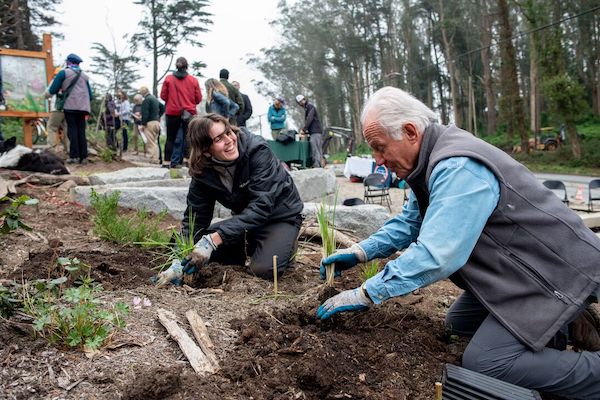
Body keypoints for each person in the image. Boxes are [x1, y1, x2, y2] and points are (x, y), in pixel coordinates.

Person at [317, 86, 600, 399]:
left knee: (487, 362)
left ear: (410, 131)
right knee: (458, 324)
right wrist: (359, 252)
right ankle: (558, 329)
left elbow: (439, 254)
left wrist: (369, 291)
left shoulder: (457, 166)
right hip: (519, 273)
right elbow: (410, 222)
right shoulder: (428, 164)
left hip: (551, 274)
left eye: (380, 147)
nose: (378, 160)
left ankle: (588, 369)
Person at [156, 113, 303, 286]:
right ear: (205, 149)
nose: (229, 140)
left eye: (228, 132)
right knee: (194, 253)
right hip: (245, 222)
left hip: (279, 217)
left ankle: (284, 243)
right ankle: (246, 247)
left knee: (263, 271)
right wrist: (177, 261)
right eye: (218, 138)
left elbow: (261, 207)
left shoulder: (257, 150)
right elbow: (195, 218)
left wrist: (212, 241)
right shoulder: (202, 171)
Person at [45, 53, 92, 164]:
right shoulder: (85, 76)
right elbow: (91, 95)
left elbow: (53, 90)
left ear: (68, 62)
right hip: (84, 107)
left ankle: (74, 156)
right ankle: (84, 157)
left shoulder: (63, 73)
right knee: (81, 131)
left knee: (72, 130)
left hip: (70, 106)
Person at [160, 57, 202, 168]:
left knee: (170, 138)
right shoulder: (193, 80)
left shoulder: (168, 79)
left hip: (172, 111)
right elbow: (198, 99)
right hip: (189, 112)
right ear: (186, 66)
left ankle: (167, 162)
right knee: (188, 137)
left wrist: (172, 101)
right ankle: (186, 160)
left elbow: (163, 96)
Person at [295, 94, 324, 168]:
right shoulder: (308, 108)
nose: (301, 104)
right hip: (315, 131)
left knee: (315, 149)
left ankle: (317, 165)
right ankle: (320, 165)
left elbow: (309, 119)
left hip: (315, 132)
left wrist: (304, 129)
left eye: (300, 102)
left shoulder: (310, 107)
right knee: (318, 149)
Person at [46, 67, 69, 155]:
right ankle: (69, 150)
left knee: (52, 127)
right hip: (68, 108)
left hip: (57, 109)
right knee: (67, 129)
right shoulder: (68, 82)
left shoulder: (55, 81)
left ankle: (51, 150)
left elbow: (48, 93)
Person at [139, 86, 161, 164]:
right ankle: (156, 157)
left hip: (150, 123)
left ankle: (154, 159)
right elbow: (163, 107)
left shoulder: (146, 100)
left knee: (150, 142)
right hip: (157, 122)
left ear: (143, 92)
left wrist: (143, 124)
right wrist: (158, 116)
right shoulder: (155, 99)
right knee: (155, 141)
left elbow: (145, 113)